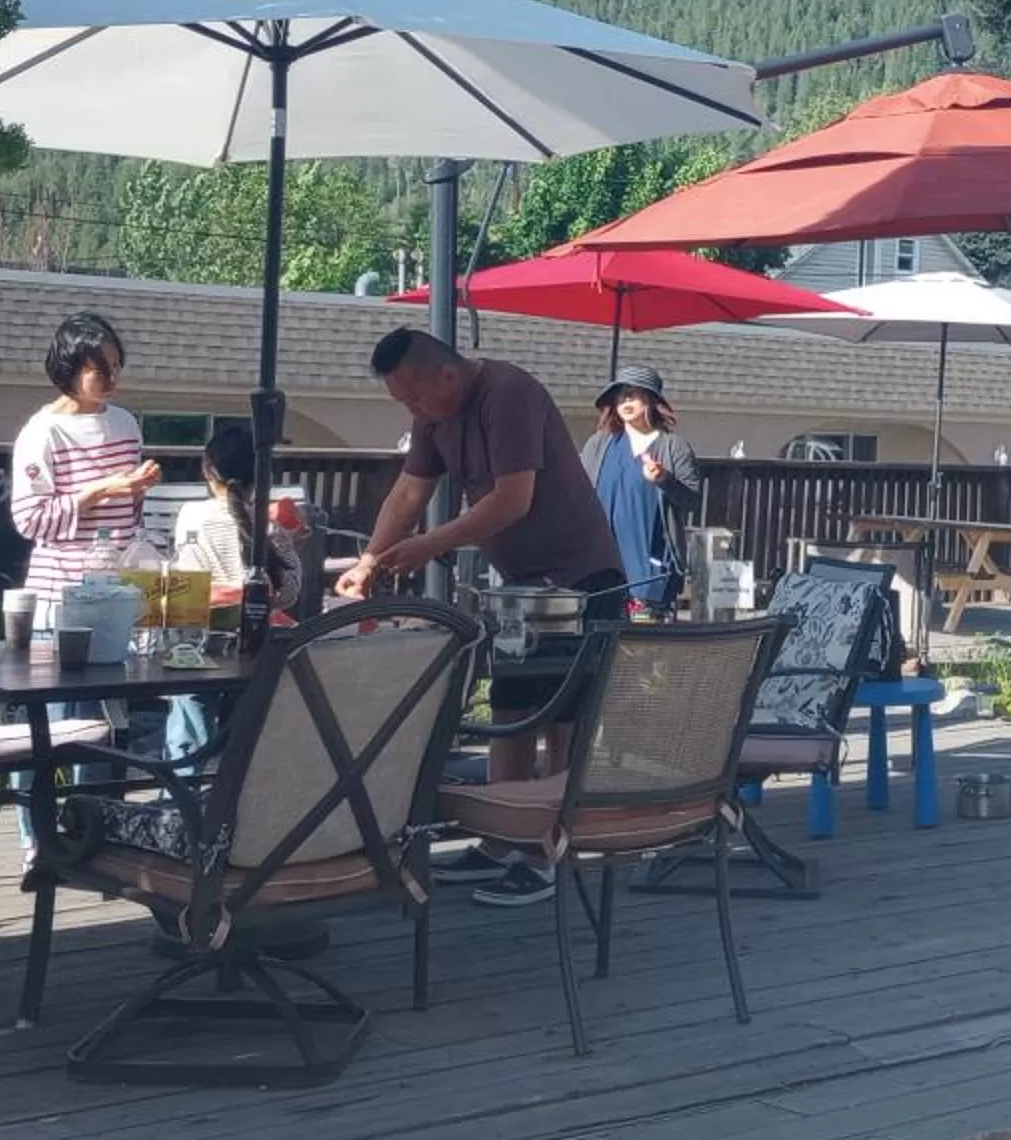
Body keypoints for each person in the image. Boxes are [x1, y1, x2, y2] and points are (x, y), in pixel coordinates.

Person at [340, 328, 626, 908]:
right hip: (521, 589)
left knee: (561, 719)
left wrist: (427, 545)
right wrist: (369, 560)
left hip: (582, 579)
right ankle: (500, 840)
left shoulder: (508, 392)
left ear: (447, 374)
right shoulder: (432, 415)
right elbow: (407, 494)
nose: (415, 412)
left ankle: (548, 851)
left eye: (416, 399)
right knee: (512, 710)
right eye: (404, 404)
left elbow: (511, 499)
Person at [5, 313, 159, 838]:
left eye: (118, 367)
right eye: (102, 370)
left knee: (102, 722)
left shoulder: (126, 423)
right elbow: (30, 520)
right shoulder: (41, 432)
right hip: (59, 595)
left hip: (115, 593)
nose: (113, 380)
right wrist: (102, 489)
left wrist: (136, 487)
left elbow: (126, 510)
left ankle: (94, 831)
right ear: (70, 370)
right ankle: (38, 839)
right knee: (45, 724)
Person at [162, 419, 308, 760]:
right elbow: (287, 594)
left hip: (197, 637)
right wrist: (287, 550)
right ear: (262, 476)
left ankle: (186, 785)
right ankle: (231, 788)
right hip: (254, 642)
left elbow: (188, 570)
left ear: (207, 470)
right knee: (245, 725)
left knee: (190, 712)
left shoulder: (190, 515)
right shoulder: (270, 526)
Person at [581, 364, 702, 619]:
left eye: (634, 394)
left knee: (644, 650)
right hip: (600, 570)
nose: (626, 400)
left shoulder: (673, 447)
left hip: (649, 570)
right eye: (621, 393)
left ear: (650, 400)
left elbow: (692, 500)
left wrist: (664, 479)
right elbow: (577, 495)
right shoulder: (599, 445)